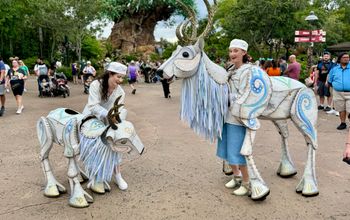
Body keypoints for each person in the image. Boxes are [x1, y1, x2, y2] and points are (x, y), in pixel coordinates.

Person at [82, 61, 129, 190]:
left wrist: (117, 119)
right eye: (118, 77)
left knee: (115, 145)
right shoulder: (96, 85)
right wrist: (108, 114)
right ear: (110, 74)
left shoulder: (120, 92)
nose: (120, 80)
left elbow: (119, 109)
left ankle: (118, 175)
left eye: (122, 77)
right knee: (94, 147)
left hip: (109, 121)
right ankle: (95, 175)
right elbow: (93, 106)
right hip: (92, 119)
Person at [217, 39, 251, 196]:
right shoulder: (230, 69)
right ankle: (236, 176)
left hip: (238, 118)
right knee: (226, 150)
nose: (232, 54)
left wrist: (226, 96)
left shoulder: (248, 71)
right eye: (230, 51)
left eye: (236, 51)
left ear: (244, 52)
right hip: (226, 115)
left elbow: (246, 94)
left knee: (237, 151)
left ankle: (247, 182)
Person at [328, 52, 350, 130]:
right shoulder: (334, 69)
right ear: (340, 59)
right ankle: (343, 123)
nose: (346, 59)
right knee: (341, 109)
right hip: (338, 92)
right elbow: (330, 81)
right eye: (344, 57)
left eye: (347, 57)